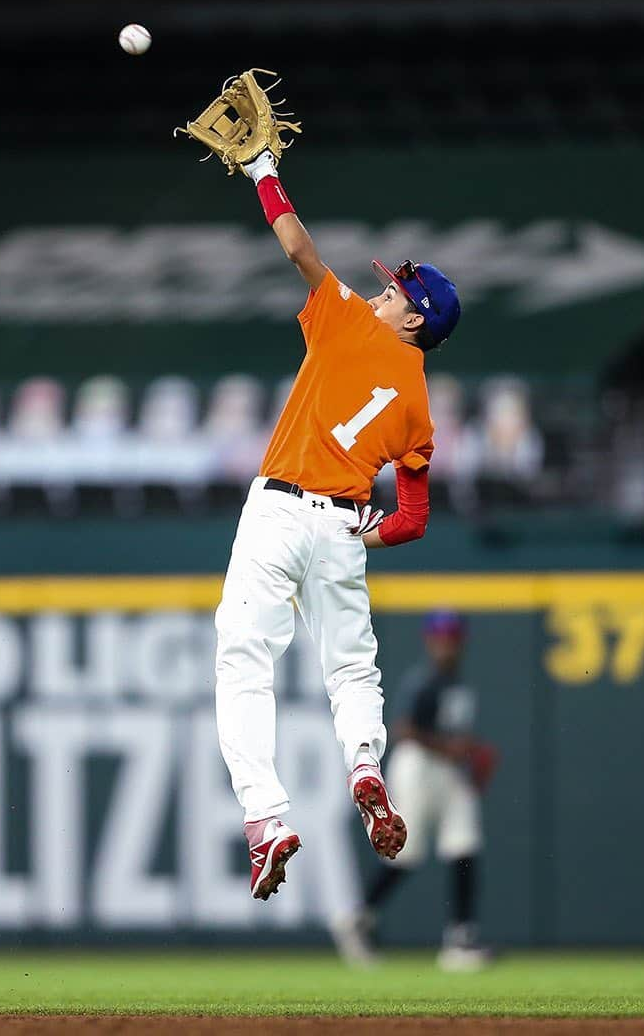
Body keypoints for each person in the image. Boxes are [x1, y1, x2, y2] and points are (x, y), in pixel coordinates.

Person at [208, 147, 462, 901]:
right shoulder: (420, 411)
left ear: (415, 318)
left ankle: (265, 818)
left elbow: (294, 245)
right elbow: (413, 519)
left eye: (397, 293)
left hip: (280, 508)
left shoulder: (348, 322)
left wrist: (261, 171)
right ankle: (366, 768)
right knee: (352, 671)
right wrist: (365, 537)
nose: (383, 293)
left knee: (243, 662)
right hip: (342, 529)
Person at [332, 610, 494, 970]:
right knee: (406, 851)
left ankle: (461, 940)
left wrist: (465, 750)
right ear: (429, 640)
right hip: (418, 765)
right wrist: (448, 748)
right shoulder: (424, 681)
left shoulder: (458, 684)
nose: (445, 644)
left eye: (451, 636)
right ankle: (357, 919)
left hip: (449, 770)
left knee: (464, 845)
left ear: (460, 641)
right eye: (440, 636)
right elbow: (404, 729)